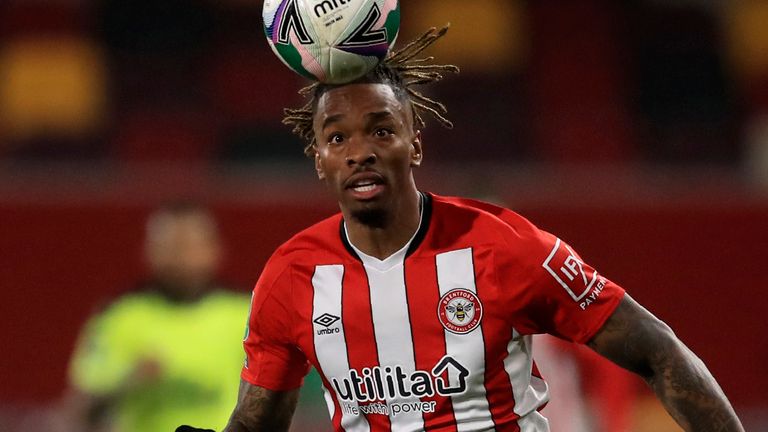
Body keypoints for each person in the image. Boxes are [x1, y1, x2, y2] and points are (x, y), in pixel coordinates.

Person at [182, 27, 743, 432]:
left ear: (415, 145)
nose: (359, 153)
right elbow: (257, 422)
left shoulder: (505, 248)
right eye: (337, 139)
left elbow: (658, 352)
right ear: (319, 162)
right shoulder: (291, 277)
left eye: (381, 131)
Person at [63, 201, 249, 432]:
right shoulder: (120, 317)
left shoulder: (246, 316)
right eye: (170, 247)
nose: (180, 257)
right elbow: (81, 409)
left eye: (189, 245)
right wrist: (127, 382)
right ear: (149, 250)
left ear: (214, 249)